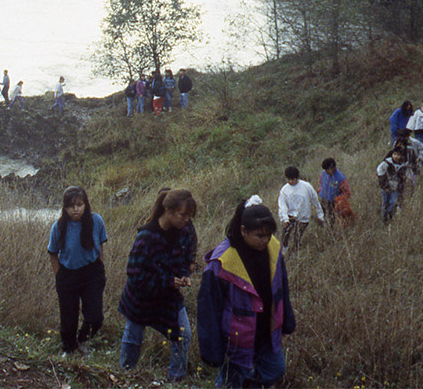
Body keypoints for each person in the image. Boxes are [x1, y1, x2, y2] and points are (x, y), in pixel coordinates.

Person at [197, 197, 295, 388]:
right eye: (259, 235)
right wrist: (212, 348)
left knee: (275, 370)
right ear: (243, 231)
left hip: (266, 331)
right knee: (232, 380)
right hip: (236, 339)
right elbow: (208, 307)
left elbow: (282, 286)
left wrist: (287, 319)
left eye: (269, 235)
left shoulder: (273, 249)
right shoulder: (222, 262)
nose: (265, 240)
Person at [118, 188, 198, 381]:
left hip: (168, 297)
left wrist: (185, 275)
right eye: (182, 214)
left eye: (189, 215)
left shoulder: (185, 232)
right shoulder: (146, 237)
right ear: (168, 211)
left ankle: (175, 379)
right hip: (141, 297)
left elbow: (186, 258)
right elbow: (134, 274)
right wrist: (168, 281)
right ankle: (124, 377)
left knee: (183, 335)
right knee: (133, 338)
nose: (186, 219)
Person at [47, 186, 108, 355]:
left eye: (80, 205)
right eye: (71, 206)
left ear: (85, 205)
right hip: (68, 274)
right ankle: (69, 348)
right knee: (68, 318)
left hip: (92, 272)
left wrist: (100, 267)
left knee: (95, 317)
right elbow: (52, 253)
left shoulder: (96, 221)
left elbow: (101, 245)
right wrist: (59, 274)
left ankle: (83, 339)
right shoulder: (58, 227)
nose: (76, 209)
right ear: (65, 208)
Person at [276, 166, 324, 252]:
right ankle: (283, 252)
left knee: (297, 237)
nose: (290, 182)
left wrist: (320, 215)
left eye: (292, 179)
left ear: (297, 178)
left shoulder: (307, 187)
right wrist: (284, 218)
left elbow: (315, 201)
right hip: (290, 217)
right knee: (285, 236)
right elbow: (282, 205)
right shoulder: (284, 190)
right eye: (288, 179)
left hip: (303, 217)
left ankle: (295, 251)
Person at [317, 158, 351, 227]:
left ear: (333, 168)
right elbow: (321, 182)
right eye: (325, 170)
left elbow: (347, 193)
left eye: (327, 170)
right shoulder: (323, 173)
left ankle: (330, 231)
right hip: (323, 200)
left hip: (333, 203)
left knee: (330, 220)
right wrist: (320, 190)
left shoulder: (340, 178)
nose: (326, 171)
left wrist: (338, 200)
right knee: (320, 216)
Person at [376, 148, 405, 223]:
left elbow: (404, 177)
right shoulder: (387, 163)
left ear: (401, 156)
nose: (396, 156)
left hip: (396, 188)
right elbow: (380, 172)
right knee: (385, 203)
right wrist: (384, 185)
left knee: (394, 203)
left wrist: (401, 186)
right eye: (394, 154)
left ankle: (390, 218)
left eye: (398, 155)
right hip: (387, 187)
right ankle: (384, 219)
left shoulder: (403, 165)